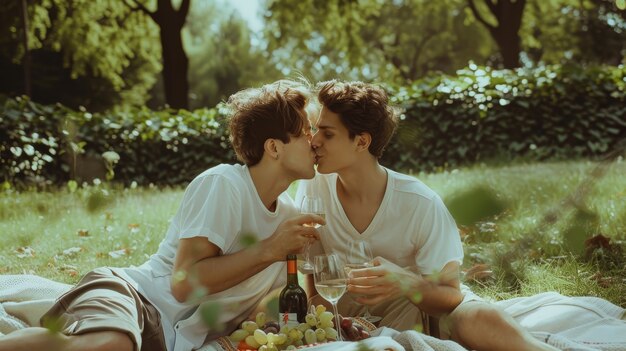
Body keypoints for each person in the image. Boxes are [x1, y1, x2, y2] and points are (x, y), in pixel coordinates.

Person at [0, 79, 325, 351]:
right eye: (305, 132)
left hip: (173, 339)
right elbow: (184, 284)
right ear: (274, 147)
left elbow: (284, 304)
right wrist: (269, 249)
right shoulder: (224, 185)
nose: (315, 142)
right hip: (135, 296)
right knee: (110, 345)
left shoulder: (290, 217)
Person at [297, 80, 558, 351]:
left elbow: (451, 295)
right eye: (316, 130)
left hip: (420, 312)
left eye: (327, 134)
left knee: (469, 319)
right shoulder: (314, 186)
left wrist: (403, 282)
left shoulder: (419, 203)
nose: (314, 141)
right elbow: (315, 283)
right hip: (351, 317)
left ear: (361, 142)